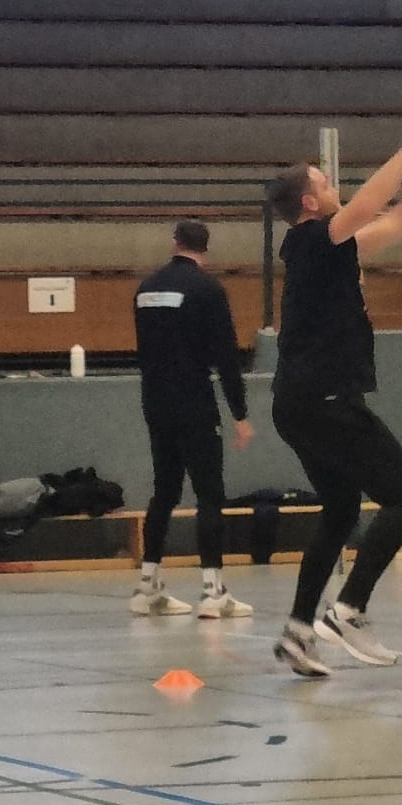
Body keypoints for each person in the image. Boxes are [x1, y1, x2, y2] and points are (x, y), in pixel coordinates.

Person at [266, 115, 402, 677]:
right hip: (324, 399)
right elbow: (368, 205)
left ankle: (297, 632)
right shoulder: (314, 239)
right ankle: (348, 610)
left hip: (299, 405)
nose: (330, 185)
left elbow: (396, 221)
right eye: (322, 181)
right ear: (310, 203)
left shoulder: (324, 248)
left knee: (340, 510)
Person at [131, 217, 255, 621]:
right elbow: (226, 357)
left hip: (154, 402)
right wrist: (239, 413)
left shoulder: (145, 290)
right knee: (209, 493)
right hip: (194, 403)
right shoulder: (208, 290)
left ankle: (147, 585)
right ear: (205, 248)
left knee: (164, 490)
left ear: (174, 243)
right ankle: (212, 590)